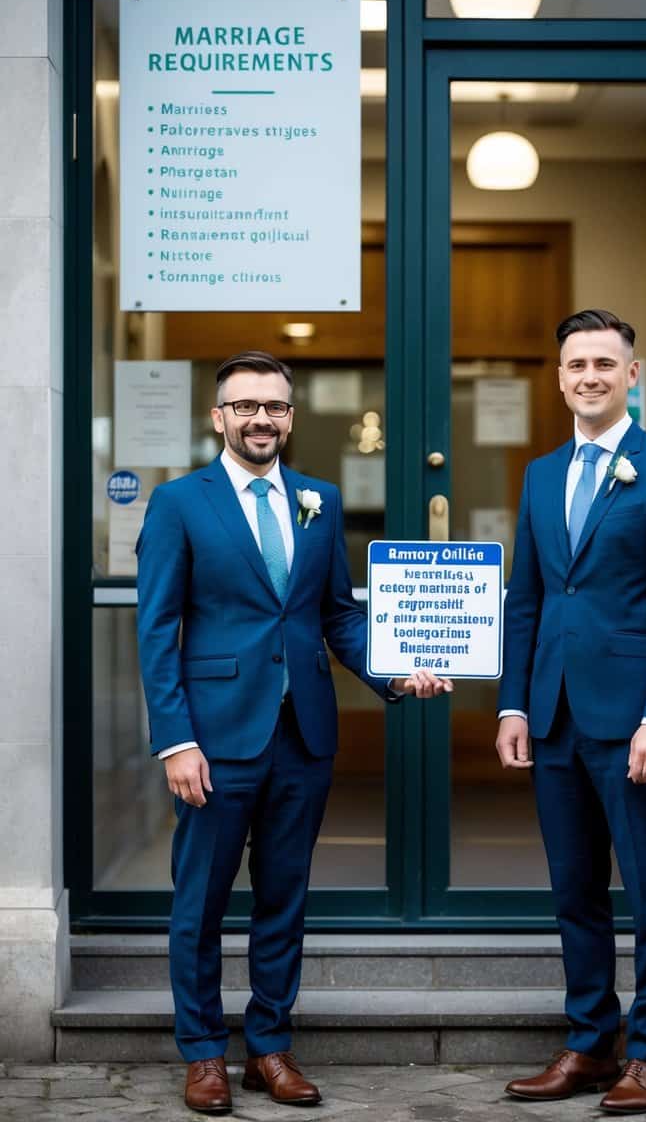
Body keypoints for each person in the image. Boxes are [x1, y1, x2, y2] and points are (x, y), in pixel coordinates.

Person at [136, 350, 451, 1116]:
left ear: (289, 416)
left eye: (274, 407)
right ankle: (204, 1053)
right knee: (200, 904)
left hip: (302, 735)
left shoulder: (319, 498)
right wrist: (176, 741)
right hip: (214, 740)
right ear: (218, 418)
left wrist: (394, 671)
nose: (260, 419)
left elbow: (334, 612)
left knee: (284, 898)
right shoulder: (179, 503)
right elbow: (156, 629)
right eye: (244, 406)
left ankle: (269, 1048)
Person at [496, 310, 646, 1115]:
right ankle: (590, 1043)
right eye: (574, 364)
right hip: (552, 713)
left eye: (603, 363)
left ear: (631, 375)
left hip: (632, 722)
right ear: (558, 378)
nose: (587, 375)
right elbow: (528, 600)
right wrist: (513, 702)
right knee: (574, 889)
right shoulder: (541, 474)